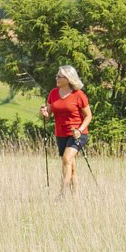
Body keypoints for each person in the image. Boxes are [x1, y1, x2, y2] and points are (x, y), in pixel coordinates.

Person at [42, 65, 91, 194]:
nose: (56, 78)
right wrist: (44, 113)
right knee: (71, 166)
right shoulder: (53, 93)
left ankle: (62, 193)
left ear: (68, 78)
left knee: (66, 159)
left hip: (77, 134)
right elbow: (48, 115)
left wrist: (80, 130)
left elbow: (88, 116)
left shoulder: (79, 95)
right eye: (57, 76)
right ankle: (75, 199)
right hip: (60, 133)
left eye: (59, 76)